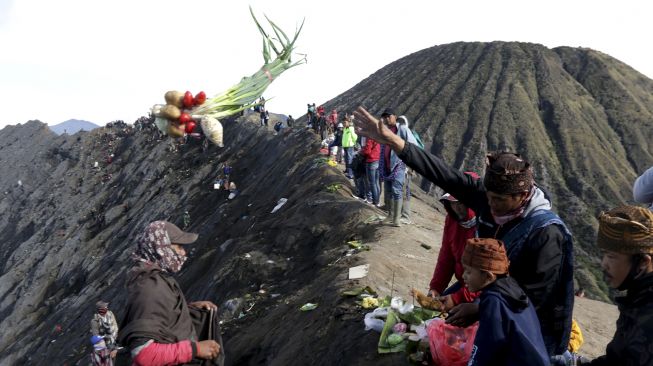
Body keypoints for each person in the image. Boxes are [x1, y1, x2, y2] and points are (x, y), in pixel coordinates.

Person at [354, 106, 574, 356]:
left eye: (500, 200)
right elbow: (442, 174)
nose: (491, 205)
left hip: (531, 321)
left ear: (522, 196)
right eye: (489, 197)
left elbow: (535, 295)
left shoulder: (546, 233)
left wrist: (478, 306)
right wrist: (394, 141)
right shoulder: (486, 200)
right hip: (492, 297)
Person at [118, 221, 223, 365]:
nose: (183, 253)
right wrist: (195, 349)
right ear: (160, 248)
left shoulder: (154, 277)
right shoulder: (149, 288)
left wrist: (188, 309)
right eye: (178, 246)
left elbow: (159, 316)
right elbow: (144, 354)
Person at [582, 205, 653, 365]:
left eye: (611, 256)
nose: (604, 264)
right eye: (604, 255)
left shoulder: (647, 313)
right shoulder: (638, 298)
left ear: (643, 262)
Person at [463, 238, 550, 366]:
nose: (463, 276)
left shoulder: (493, 301)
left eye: (469, 272)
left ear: (488, 276)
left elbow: (487, 347)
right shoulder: (512, 289)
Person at [429, 178, 481, 311]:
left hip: (480, 289)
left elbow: (486, 279)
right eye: (453, 202)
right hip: (465, 282)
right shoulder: (452, 220)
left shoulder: (484, 225)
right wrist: (436, 287)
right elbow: (446, 256)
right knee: (433, 308)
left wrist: (457, 298)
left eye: (461, 202)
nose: (457, 207)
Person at [377, 108, 418, 227]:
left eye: (388, 116)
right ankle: (390, 215)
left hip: (399, 164)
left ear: (395, 116)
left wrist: (409, 163)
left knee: (397, 190)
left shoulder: (403, 129)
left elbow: (413, 145)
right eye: (384, 117)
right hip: (387, 165)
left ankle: (396, 219)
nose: (386, 119)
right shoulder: (386, 131)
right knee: (389, 190)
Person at [361, 136, 381, 206]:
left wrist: (362, 152)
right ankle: (378, 200)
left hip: (371, 160)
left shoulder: (370, 138)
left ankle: (374, 201)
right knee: (376, 182)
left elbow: (367, 151)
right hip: (378, 160)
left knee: (372, 182)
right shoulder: (378, 137)